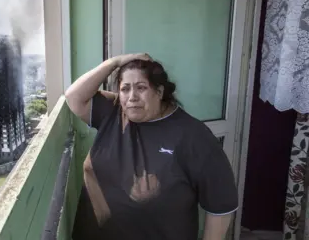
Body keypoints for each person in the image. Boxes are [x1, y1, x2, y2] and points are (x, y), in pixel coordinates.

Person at [65, 53, 238, 240]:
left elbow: (221, 205)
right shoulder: (113, 113)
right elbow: (74, 97)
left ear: (159, 92)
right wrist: (113, 63)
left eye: (141, 88)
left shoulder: (193, 136)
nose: (132, 97)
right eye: (125, 89)